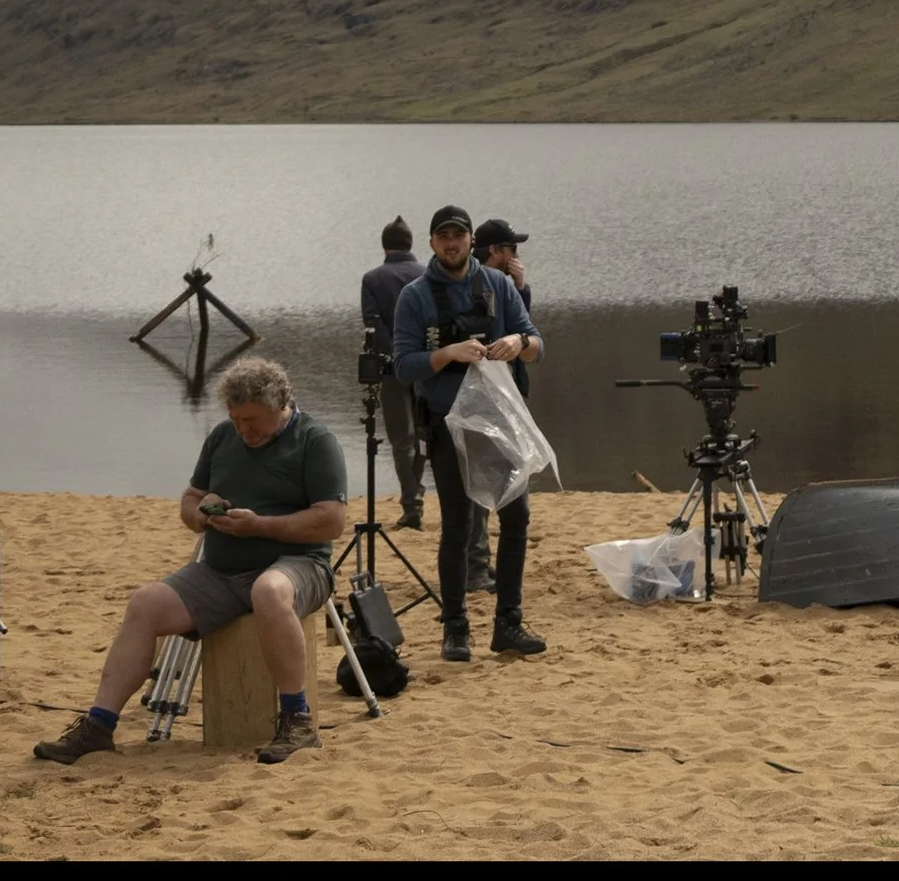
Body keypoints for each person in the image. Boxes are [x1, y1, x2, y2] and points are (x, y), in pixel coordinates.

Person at [34, 354, 348, 768]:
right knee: (145, 602)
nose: (243, 429)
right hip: (220, 570)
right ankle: (99, 725)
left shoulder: (315, 440)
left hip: (300, 565)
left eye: (252, 420)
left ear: (279, 406)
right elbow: (190, 499)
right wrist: (201, 514)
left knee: (269, 591)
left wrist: (262, 526)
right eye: (236, 419)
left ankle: (297, 718)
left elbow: (331, 521)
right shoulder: (223, 437)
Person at [389, 204, 546, 664]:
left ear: (470, 240)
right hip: (447, 424)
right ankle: (455, 630)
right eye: (444, 237)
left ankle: (508, 624)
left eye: (459, 235)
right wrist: (447, 354)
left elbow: (538, 344)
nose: (452, 243)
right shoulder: (415, 297)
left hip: (501, 422)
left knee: (515, 519)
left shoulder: (498, 285)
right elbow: (402, 366)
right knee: (457, 526)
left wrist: (519, 344)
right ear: (433, 244)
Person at [460, 216, 534, 593]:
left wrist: (521, 289)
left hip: (507, 395)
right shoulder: (477, 287)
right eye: (512, 249)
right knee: (477, 486)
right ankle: (474, 567)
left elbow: (526, 334)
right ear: (496, 251)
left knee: (504, 481)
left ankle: (483, 564)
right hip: (479, 400)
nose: (516, 255)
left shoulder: (504, 286)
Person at [360, 215, 426, 528]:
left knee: (402, 441)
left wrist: (397, 353)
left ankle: (412, 507)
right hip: (428, 365)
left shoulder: (372, 279)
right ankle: (418, 494)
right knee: (424, 437)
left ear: (385, 247)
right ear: (410, 245)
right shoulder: (427, 274)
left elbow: (373, 325)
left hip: (391, 367)